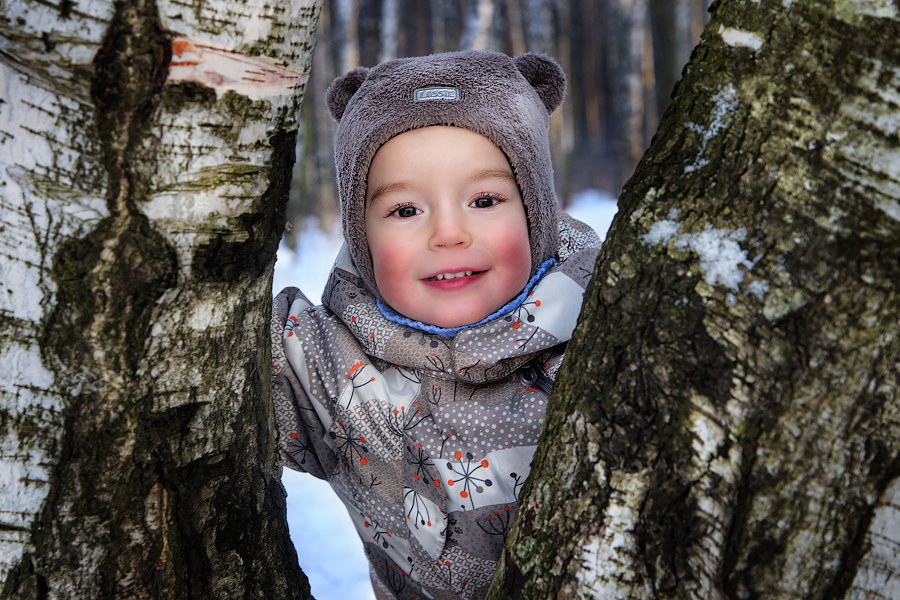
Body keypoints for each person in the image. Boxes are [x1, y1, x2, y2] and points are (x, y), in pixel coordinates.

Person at [272, 50, 600, 600]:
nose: (448, 233)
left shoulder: (602, 342)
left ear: (536, 214)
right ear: (363, 237)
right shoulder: (326, 363)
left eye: (485, 199)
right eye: (405, 211)